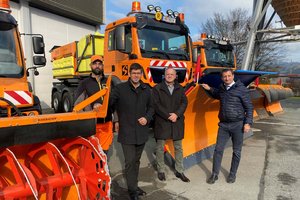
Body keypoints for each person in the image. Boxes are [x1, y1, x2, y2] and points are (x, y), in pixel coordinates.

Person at [201, 68, 253, 184]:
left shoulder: (242, 90)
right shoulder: (222, 88)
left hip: (238, 125)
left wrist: (248, 123)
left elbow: (249, 107)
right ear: (222, 78)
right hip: (223, 125)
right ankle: (214, 174)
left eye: (229, 76)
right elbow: (217, 94)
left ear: (233, 76)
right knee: (218, 150)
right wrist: (209, 88)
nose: (227, 78)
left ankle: (232, 174)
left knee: (236, 151)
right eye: (224, 76)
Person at [109, 63, 153, 200]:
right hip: (126, 131)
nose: (136, 75)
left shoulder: (146, 89)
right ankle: (132, 191)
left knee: (137, 161)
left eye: (138, 73)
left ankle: (134, 185)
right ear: (129, 74)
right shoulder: (120, 89)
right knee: (129, 161)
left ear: (141, 74)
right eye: (133, 73)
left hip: (141, 132)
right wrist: (114, 118)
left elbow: (152, 107)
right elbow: (110, 103)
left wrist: (147, 118)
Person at [152, 67, 190, 183]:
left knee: (178, 147)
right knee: (160, 148)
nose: (169, 76)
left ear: (175, 76)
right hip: (162, 121)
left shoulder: (180, 88)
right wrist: (168, 115)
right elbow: (156, 104)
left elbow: (184, 102)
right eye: (167, 74)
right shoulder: (157, 88)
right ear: (164, 75)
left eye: (171, 74)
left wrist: (176, 114)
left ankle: (179, 171)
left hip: (177, 121)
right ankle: (161, 170)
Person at [74, 55, 113, 155]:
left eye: (99, 64)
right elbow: (78, 105)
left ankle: (104, 170)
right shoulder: (84, 83)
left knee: (104, 152)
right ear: (90, 66)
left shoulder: (108, 81)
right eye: (95, 64)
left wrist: (116, 120)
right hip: (92, 124)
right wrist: (91, 108)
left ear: (103, 66)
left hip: (107, 123)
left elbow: (114, 101)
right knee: (93, 152)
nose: (97, 66)